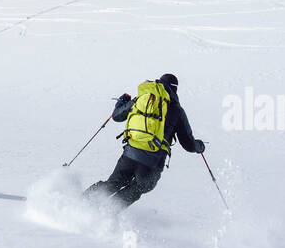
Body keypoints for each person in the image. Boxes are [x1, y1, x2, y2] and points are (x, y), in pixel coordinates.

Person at [85, 73, 204, 208]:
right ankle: (108, 212)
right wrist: (199, 146)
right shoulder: (177, 110)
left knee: (113, 183)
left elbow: (117, 116)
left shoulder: (142, 98)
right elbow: (188, 144)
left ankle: (81, 202)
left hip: (130, 153)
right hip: (152, 163)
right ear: (175, 89)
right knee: (140, 187)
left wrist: (120, 103)